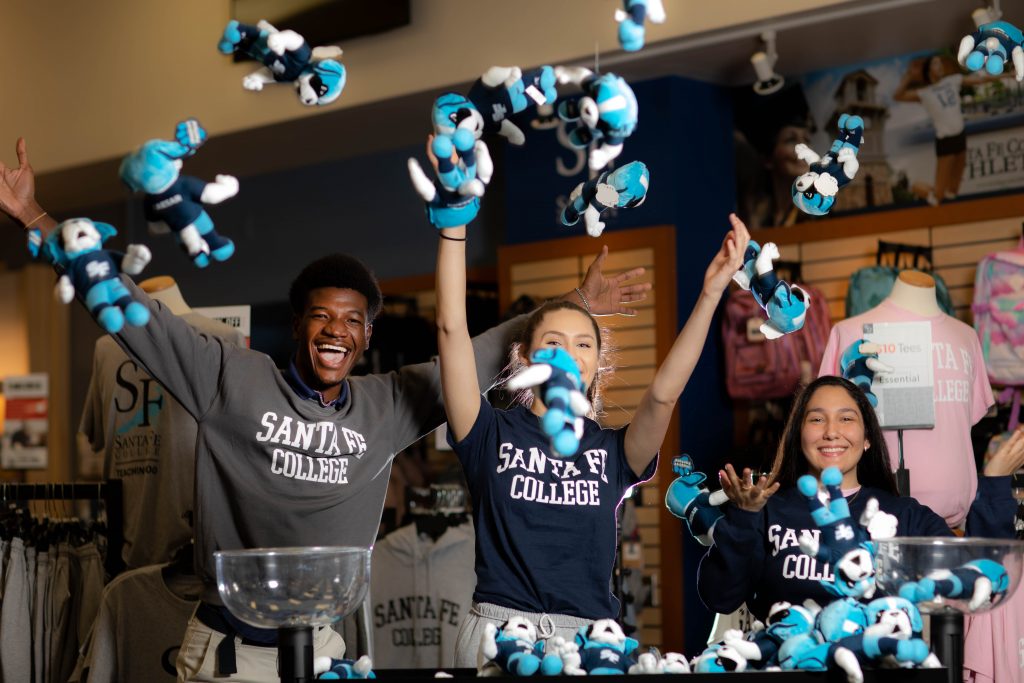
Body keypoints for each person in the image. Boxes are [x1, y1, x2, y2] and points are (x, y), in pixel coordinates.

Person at [0, 139, 651, 683]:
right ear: (298, 325)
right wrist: (36, 218)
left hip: (325, 652)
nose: (334, 331)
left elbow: (474, 356)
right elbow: (132, 315)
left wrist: (568, 304)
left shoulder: (387, 407)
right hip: (227, 653)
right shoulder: (228, 376)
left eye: (351, 320)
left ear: (367, 335)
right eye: (321, 315)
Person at [435, 194, 749, 666]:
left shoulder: (613, 450)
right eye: (552, 342)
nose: (569, 353)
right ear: (525, 357)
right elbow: (450, 330)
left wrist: (711, 293)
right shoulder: (488, 433)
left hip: (587, 640)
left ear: (595, 364)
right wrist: (454, 224)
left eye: (583, 344)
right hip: (496, 635)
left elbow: (663, 394)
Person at [697, 375, 1023, 622]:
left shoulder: (903, 515)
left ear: (867, 439)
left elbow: (984, 576)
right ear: (799, 436)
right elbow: (720, 597)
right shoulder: (766, 511)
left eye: (846, 418)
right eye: (816, 419)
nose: (831, 431)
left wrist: (993, 483)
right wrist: (744, 517)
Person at [892, 54, 995, 206]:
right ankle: (911, 185)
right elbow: (897, 96)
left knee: (952, 192)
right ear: (928, 71)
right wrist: (909, 75)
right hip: (946, 141)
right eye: (935, 63)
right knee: (937, 198)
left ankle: (934, 195)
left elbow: (980, 80)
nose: (940, 65)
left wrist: (1008, 75)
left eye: (940, 63)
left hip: (960, 136)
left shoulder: (953, 80)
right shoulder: (925, 93)